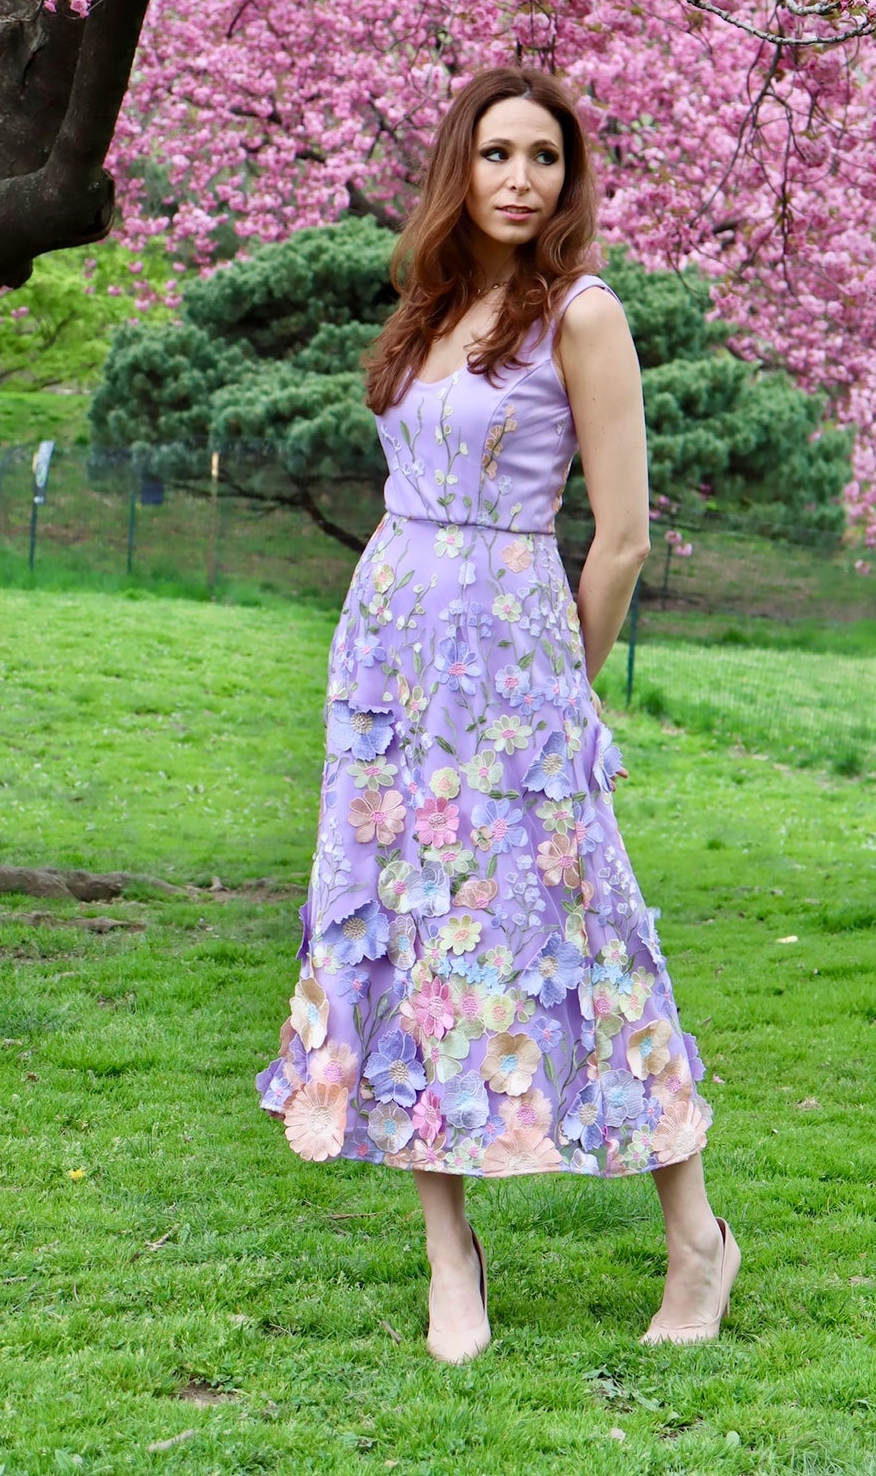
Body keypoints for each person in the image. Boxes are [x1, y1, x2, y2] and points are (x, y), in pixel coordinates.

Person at [257, 66, 739, 1362]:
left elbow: (623, 536)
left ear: (568, 179)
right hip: (389, 668)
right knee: (415, 938)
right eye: (498, 154)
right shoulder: (428, 309)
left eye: (545, 156)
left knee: (590, 933)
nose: (521, 177)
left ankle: (696, 1235)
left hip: (518, 671)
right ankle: (447, 1258)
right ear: (458, 171)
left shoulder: (582, 315)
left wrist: (558, 692)